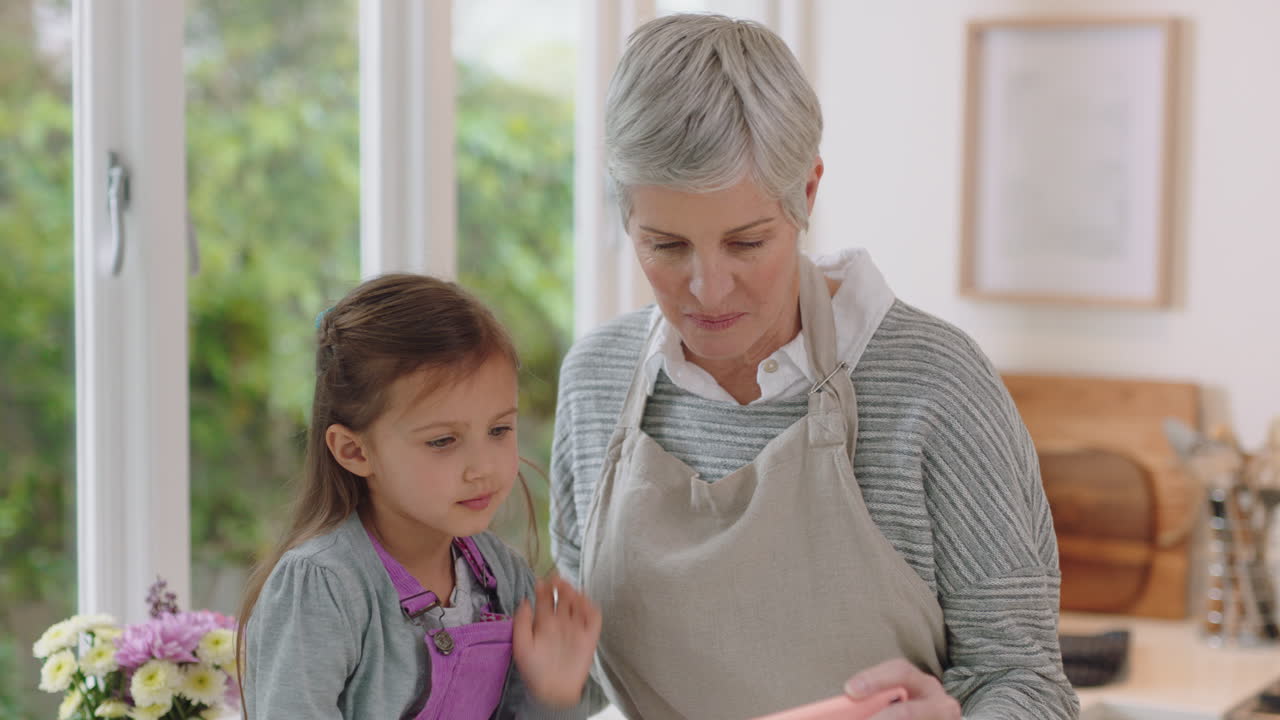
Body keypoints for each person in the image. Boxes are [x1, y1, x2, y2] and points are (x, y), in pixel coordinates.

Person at [550, 13, 1078, 720]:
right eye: (667, 246)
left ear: (807, 192)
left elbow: (1028, 682)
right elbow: (577, 680)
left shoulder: (935, 385)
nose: (708, 289)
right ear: (624, 217)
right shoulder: (597, 382)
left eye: (746, 242)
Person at [239, 274, 601, 719]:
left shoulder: (503, 575)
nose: (482, 468)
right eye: (443, 440)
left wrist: (553, 696)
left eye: (499, 430)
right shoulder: (322, 586)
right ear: (355, 451)